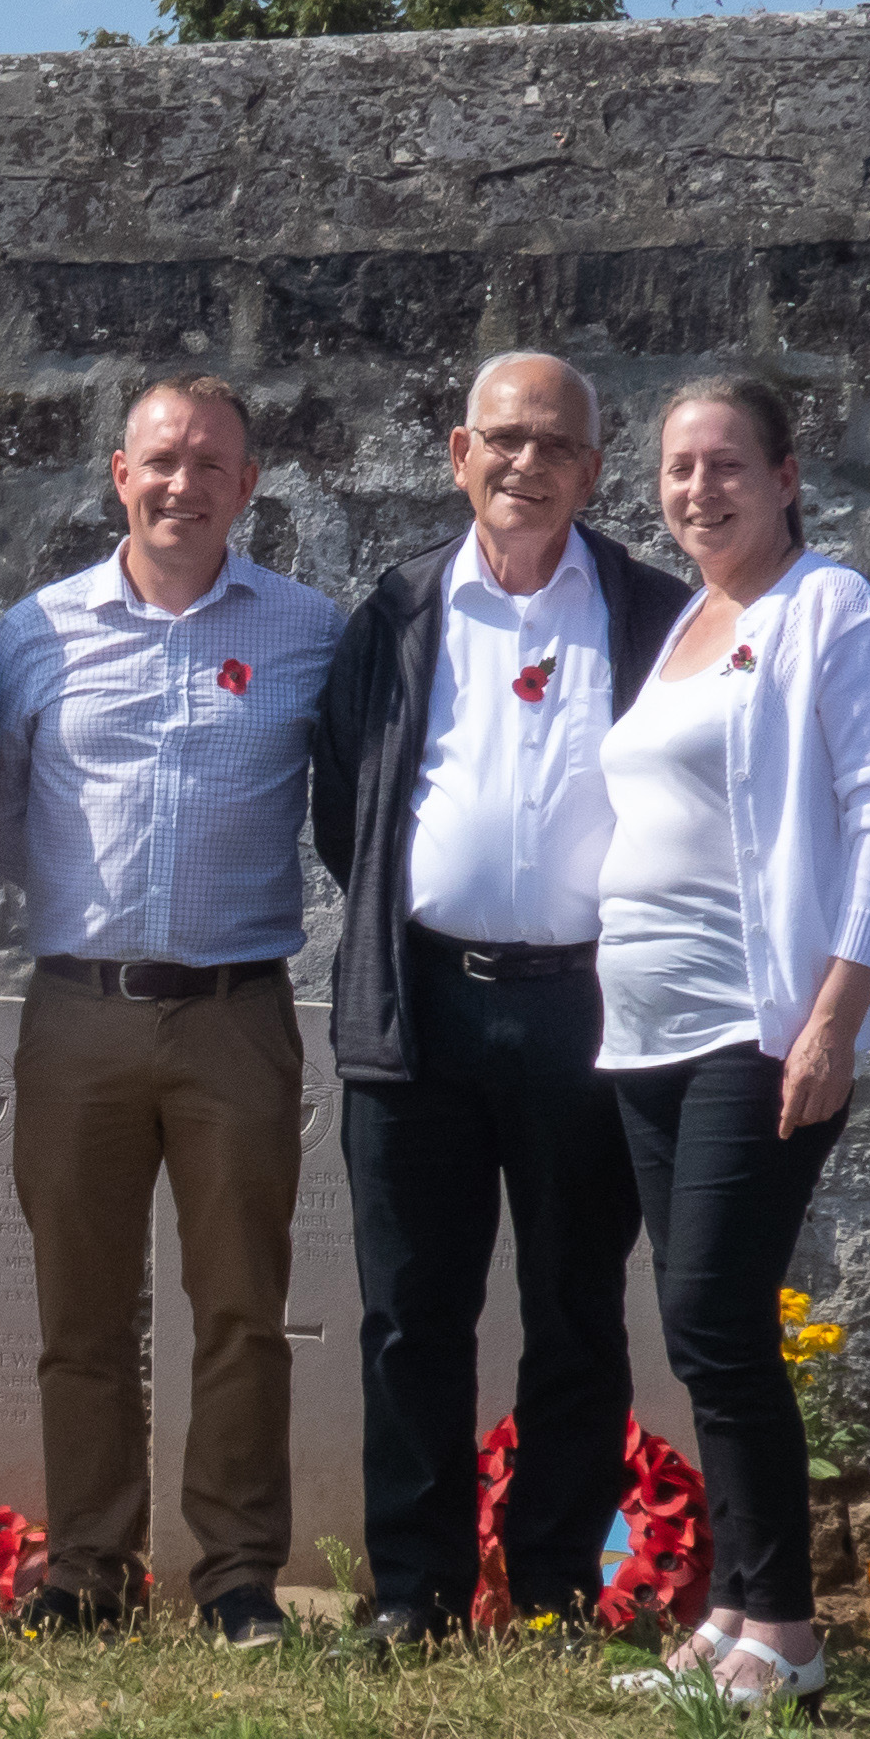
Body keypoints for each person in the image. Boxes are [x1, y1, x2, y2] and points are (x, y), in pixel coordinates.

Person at [312, 351, 690, 1653]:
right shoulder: (398, 611)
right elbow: (345, 808)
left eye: (555, 444)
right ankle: (411, 1587)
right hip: (422, 1007)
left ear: (594, 467)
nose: (525, 461)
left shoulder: (655, 613)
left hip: (590, 1007)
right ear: (456, 452)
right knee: (413, 1307)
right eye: (502, 438)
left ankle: (550, 1587)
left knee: (578, 1305)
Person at [0, 378, 342, 1646]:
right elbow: (2, 815)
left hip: (235, 1015)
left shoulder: (309, 631)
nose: (180, 484)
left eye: (208, 465)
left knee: (240, 1308)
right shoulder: (34, 631)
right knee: (79, 1311)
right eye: (158, 462)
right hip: (78, 1012)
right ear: (115, 474)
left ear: (248, 487)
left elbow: (345, 802)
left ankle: (237, 1572)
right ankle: (88, 1565)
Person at [602, 379, 870, 1708]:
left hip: (758, 1021)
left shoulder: (828, 608)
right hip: (648, 1031)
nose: (699, 489)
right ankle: (731, 1614)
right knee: (703, 1334)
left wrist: (833, 1016)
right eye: (679, 467)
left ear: (787, 474)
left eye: (726, 464)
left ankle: (784, 1628)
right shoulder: (691, 617)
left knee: (717, 1319)